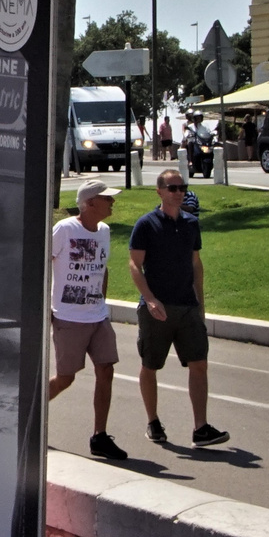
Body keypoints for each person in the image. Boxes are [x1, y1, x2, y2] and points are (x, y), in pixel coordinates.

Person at [128, 169, 229, 448]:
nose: (178, 192)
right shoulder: (146, 224)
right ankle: (153, 422)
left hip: (187, 307)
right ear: (159, 191)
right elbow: (135, 265)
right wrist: (149, 298)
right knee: (150, 365)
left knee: (199, 364)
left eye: (182, 187)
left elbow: (196, 264)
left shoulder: (190, 224)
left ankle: (201, 428)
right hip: (156, 309)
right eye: (172, 188)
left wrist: (201, 305)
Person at [50, 179, 128, 461]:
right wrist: (47, 308)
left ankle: (99, 436)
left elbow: (102, 269)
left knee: (106, 369)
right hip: (68, 317)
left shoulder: (104, 231)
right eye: (107, 199)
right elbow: (44, 262)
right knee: (65, 379)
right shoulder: (65, 229)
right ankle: (29, 417)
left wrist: (102, 303)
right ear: (90, 203)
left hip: (97, 316)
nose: (112, 203)